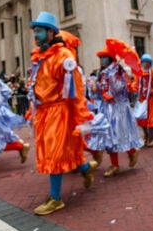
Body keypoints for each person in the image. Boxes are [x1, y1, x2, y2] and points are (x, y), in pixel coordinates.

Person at [27, 11, 98, 215]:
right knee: (58, 152)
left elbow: (76, 89)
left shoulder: (64, 57)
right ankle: (87, 168)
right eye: (34, 31)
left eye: (39, 30)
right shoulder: (39, 56)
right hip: (43, 111)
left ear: (51, 32)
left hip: (59, 111)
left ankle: (56, 198)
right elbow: (36, 85)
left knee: (54, 153)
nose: (36, 35)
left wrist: (82, 117)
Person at [94, 40, 143, 177]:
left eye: (104, 57)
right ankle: (115, 165)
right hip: (107, 108)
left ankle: (132, 152)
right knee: (109, 136)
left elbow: (119, 88)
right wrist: (95, 86)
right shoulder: (103, 73)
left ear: (110, 58)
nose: (102, 60)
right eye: (101, 57)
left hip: (118, 108)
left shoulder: (117, 71)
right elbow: (101, 92)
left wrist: (112, 78)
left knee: (120, 134)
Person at [136, 54, 153, 147]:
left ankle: (151, 138)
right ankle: (146, 135)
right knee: (141, 118)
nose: (144, 64)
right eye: (143, 62)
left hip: (151, 99)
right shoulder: (139, 73)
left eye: (146, 62)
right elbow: (137, 85)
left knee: (150, 119)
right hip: (142, 99)